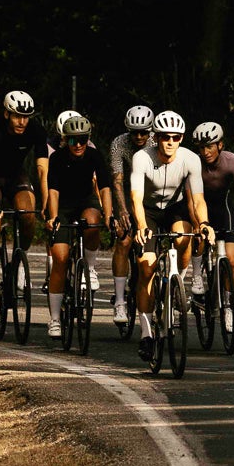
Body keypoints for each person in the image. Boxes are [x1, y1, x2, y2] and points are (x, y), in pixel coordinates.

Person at [129, 109, 210, 361]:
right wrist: (141, 225)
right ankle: (145, 334)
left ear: (182, 138)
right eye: (165, 137)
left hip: (175, 209)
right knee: (146, 267)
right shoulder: (142, 157)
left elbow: (197, 199)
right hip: (149, 211)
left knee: (184, 236)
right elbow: (136, 197)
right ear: (156, 137)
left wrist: (205, 223)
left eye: (175, 137)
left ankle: (178, 282)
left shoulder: (190, 159)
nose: (170, 142)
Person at [0, 89, 50, 324]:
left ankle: (20, 260)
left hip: (16, 176)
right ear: (7, 114)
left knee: (29, 215)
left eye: (26, 116)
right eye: (18, 116)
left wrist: (47, 200)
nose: (22, 121)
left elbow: (42, 170)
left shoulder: (36, 129)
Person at [45, 114, 112, 338]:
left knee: (93, 222)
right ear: (65, 140)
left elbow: (104, 188)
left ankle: (90, 268)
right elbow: (53, 191)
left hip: (85, 201)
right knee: (60, 258)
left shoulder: (94, 155)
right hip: (63, 206)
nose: (79, 145)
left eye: (83, 139)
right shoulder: (56, 158)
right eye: (73, 140)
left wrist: (109, 215)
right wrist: (53, 217)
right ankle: (54, 319)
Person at [190, 121, 234, 326]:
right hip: (199, 209)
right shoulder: (194, 163)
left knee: (232, 260)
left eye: (210, 146)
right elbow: (191, 199)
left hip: (223, 211)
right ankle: (197, 275)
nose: (206, 151)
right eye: (201, 147)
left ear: (220, 145)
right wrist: (198, 224)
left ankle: (228, 305)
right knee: (199, 238)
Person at [107, 104, 154, 326]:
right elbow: (117, 180)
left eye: (144, 131)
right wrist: (123, 211)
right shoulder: (119, 143)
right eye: (134, 132)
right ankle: (119, 300)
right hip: (126, 192)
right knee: (124, 240)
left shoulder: (157, 141)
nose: (139, 136)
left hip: (150, 194)